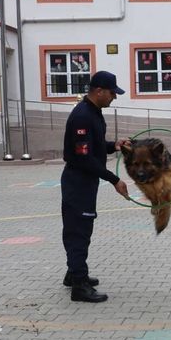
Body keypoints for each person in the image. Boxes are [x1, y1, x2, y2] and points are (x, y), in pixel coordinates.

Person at [61, 70, 130, 303]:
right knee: (78, 231)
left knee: (80, 228)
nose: (115, 97)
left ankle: (74, 273)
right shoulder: (82, 116)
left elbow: (94, 147)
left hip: (85, 180)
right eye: (112, 92)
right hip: (78, 181)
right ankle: (79, 286)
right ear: (99, 91)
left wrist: (114, 146)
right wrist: (114, 179)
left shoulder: (93, 112)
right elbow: (83, 158)